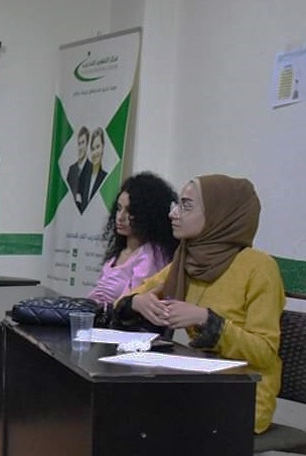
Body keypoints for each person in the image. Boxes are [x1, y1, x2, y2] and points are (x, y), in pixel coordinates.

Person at [112, 174, 284, 434]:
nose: (173, 214)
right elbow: (122, 301)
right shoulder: (186, 260)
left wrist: (207, 320)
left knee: (137, 419)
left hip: (243, 395)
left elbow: (265, 352)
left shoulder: (259, 267)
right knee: (120, 409)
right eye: (176, 205)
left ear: (218, 214)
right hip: (196, 384)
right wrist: (137, 302)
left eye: (186, 206)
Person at [87, 172, 179, 309]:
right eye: (119, 209)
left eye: (130, 211)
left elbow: (130, 304)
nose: (120, 217)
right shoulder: (120, 251)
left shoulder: (151, 255)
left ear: (148, 215)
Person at [78, 127, 108, 213]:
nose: (95, 152)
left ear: (103, 147)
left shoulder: (106, 178)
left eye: (98, 147)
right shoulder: (83, 176)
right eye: (92, 148)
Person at [67, 126, 89, 213]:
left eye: (83, 143)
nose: (80, 147)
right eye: (79, 143)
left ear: (87, 145)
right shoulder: (72, 170)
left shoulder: (92, 170)